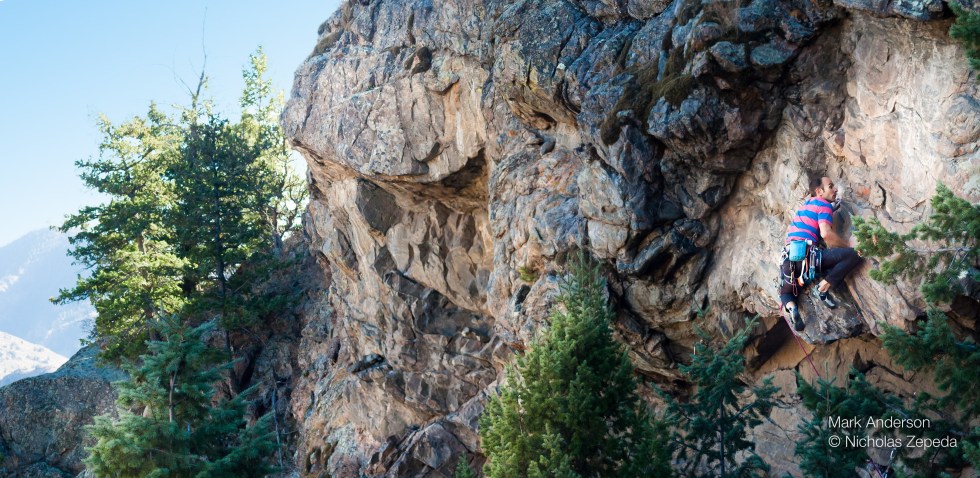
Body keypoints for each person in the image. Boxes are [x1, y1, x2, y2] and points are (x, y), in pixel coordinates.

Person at [779, 176, 863, 331]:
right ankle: (822, 288)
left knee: (786, 292)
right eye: (830, 186)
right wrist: (847, 245)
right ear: (819, 191)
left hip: (788, 259)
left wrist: (832, 207)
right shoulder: (824, 205)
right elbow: (826, 234)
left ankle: (792, 309)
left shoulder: (806, 206)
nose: (835, 189)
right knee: (855, 254)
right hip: (808, 256)